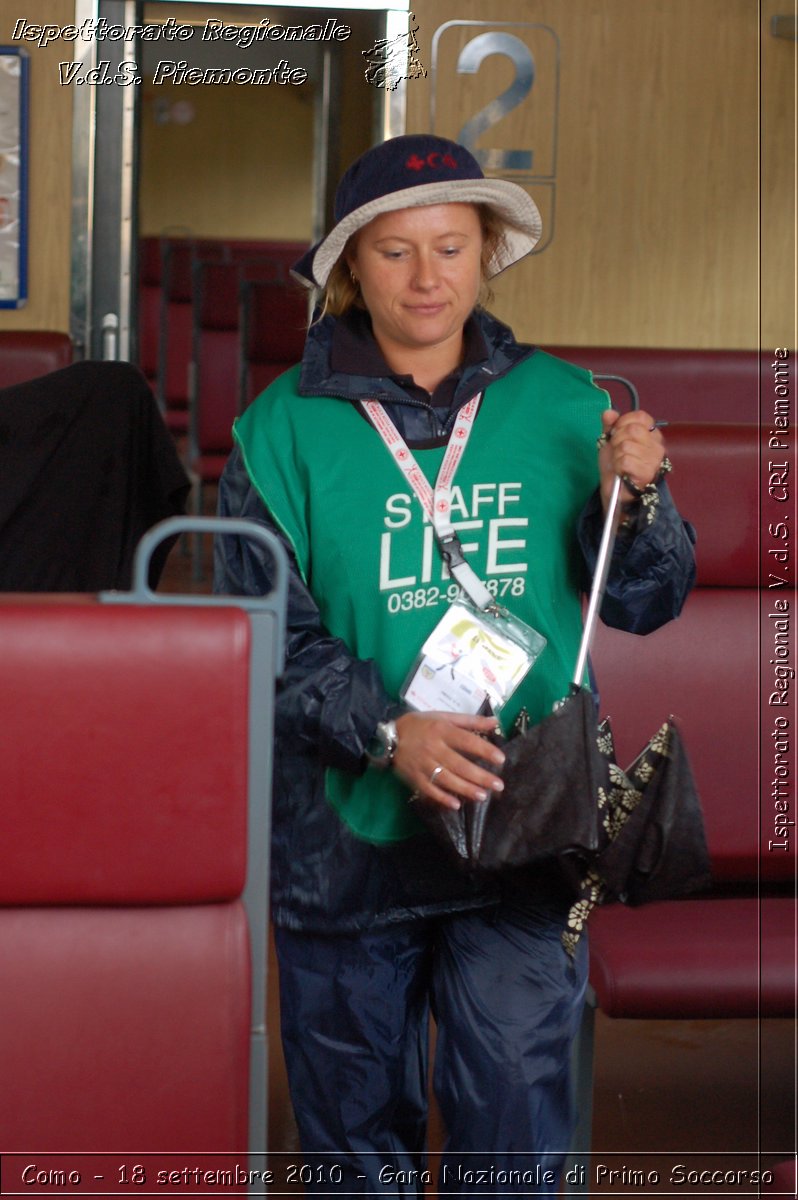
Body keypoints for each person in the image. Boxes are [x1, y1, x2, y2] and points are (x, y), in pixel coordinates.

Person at [214, 134, 696, 1196]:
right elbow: (258, 638)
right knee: (352, 1149)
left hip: (526, 829)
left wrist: (644, 503)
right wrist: (393, 732)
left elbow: (648, 601)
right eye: (395, 253)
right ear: (351, 269)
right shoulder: (275, 433)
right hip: (346, 848)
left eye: (449, 247)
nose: (426, 278)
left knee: (513, 1141)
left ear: (487, 256)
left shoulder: (572, 407)